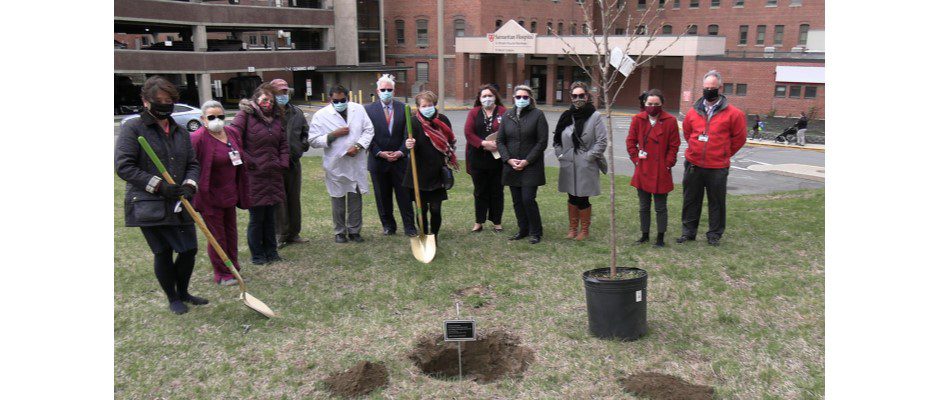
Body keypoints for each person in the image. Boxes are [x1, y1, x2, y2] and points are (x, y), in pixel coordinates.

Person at [115, 75, 207, 314]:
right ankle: (173, 297)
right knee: (163, 251)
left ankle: (184, 291)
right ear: (145, 101)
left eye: (170, 100)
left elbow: (193, 163)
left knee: (188, 249)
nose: (165, 105)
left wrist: (189, 185)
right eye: (160, 100)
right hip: (149, 202)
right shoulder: (133, 128)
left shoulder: (179, 131)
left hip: (180, 200)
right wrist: (158, 185)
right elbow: (124, 166)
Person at [678, 70, 747, 246]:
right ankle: (688, 232)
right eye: (706, 87)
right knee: (691, 199)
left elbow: (739, 138)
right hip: (694, 164)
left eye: (713, 88)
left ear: (720, 88)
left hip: (717, 166)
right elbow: (688, 133)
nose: (709, 90)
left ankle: (714, 234)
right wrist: (696, 148)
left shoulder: (734, 114)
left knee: (716, 202)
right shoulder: (693, 112)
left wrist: (723, 152)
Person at [230, 84, 290, 264]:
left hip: (273, 174)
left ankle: (272, 251)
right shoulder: (245, 116)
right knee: (257, 218)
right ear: (256, 99)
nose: (268, 104)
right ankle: (257, 254)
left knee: (270, 217)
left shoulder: (277, 118)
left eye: (271, 101)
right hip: (254, 175)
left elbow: (283, 144)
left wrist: (283, 162)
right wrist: (250, 162)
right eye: (265, 100)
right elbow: (234, 140)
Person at [309, 85, 375, 243]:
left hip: (356, 160)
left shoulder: (358, 109)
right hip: (335, 163)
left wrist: (358, 146)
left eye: (342, 100)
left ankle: (354, 230)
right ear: (330, 99)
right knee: (337, 197)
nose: (339, 103)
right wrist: (332, 135)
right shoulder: (321, 115)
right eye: (335, 101)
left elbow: (369, 129)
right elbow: (313, 140)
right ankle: (339, 232)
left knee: (355, 196)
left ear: (348, 98)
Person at [189, 101, 245, 285]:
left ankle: (233, 266)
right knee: (217, 236)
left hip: (230, 192)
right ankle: (222, 273)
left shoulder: (232, 133)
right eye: (211, 117)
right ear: (203, 119)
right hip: (209, 196)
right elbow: (191, 165)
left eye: (220, 116)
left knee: (231, 233)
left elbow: (240, 157)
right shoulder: (198, 138)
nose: (217, 121)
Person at [554, 81, 607, 241]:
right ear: (571, 97)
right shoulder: (566, 116)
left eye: (581, 95)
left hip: (586, 163)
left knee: (583, 197)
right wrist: (560, 155)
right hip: (568, 163)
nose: (578, 99)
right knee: (571, 196)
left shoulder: (595, 116)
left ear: (587, 96)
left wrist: (589, 157)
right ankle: (572, 228)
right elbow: (557, 139)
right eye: (575, 96)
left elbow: (602, 141)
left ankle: (584, 230)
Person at [626, 89, 680, 247]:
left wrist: (668, 164)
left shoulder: (670, 121)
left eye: (656, 104)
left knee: (660, 207)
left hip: (661, 170)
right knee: (643, 206)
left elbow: (674, 146)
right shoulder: (638, 119)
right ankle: (644, 235)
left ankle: (660, 237)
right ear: (644, 103)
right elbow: (630, 142)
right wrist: (636, 160)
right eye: (650, 104)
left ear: (662, 104)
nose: (653, 107)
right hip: (642, 169)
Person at [364, 74, 417, 237]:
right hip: (378, 161)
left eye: (389, 89)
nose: (386, 92)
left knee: (405, 196)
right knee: (382, 196)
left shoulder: (404, 109)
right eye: (383, 89)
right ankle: (388, 225)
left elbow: (407, 134)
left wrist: (401, 151)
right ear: (377, 91)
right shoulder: (368, 110)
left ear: (394, 91)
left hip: (400, 161)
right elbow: (366, 135)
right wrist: (379, 152)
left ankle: (409, 226)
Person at [403, 91, 458, 241]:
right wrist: (409, 144)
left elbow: (450, 142)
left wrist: (449, 153)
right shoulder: (413, 122)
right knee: (421, 208)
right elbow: (406, 141)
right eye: (424, 105)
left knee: (435, 209)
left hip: (437, 172)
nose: (427, 108)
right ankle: (423, 235)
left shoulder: (443, 120)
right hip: (418, 172)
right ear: (418, 107)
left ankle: (433, 236)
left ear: (435, 105)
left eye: (430, 105)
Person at [497, 85, 549, 244]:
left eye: (525, 97)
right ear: (513, 98)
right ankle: (523, 229)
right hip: (512, 166)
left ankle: (536, 231)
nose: (521, 100)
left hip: (531, 166)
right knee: (517, 200)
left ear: (530, 99)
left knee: (528, 199)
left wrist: (527, 161)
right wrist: (508, 159)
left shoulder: (538, 115)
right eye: (518, 97)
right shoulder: (507, 115)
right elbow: (500, 141)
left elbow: (542, 142)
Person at [270, 79, 311, 249]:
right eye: (279, 92)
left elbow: (305, 132)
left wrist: (303, 144)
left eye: (285, 92)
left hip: (294, 162)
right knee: (279, 200)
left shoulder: (297, 113)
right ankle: (280, 234)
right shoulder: (268, 113)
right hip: (275, 164)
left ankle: (294, 233)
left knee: (294, 198)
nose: (283, 95)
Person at [464, 84, 507, 233]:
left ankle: (497, 222)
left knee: (497, 191)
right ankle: (479, 221)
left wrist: (497, 144)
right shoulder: (474, 113)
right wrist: (483, 143)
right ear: (479, 98)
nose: (487, 98)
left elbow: (508, 131)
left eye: (490, 96)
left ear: (495, 97)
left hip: (497, 160)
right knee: (480, 191)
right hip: (478, 158)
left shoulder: (503, 112)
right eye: (484, 96)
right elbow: (468, 133)